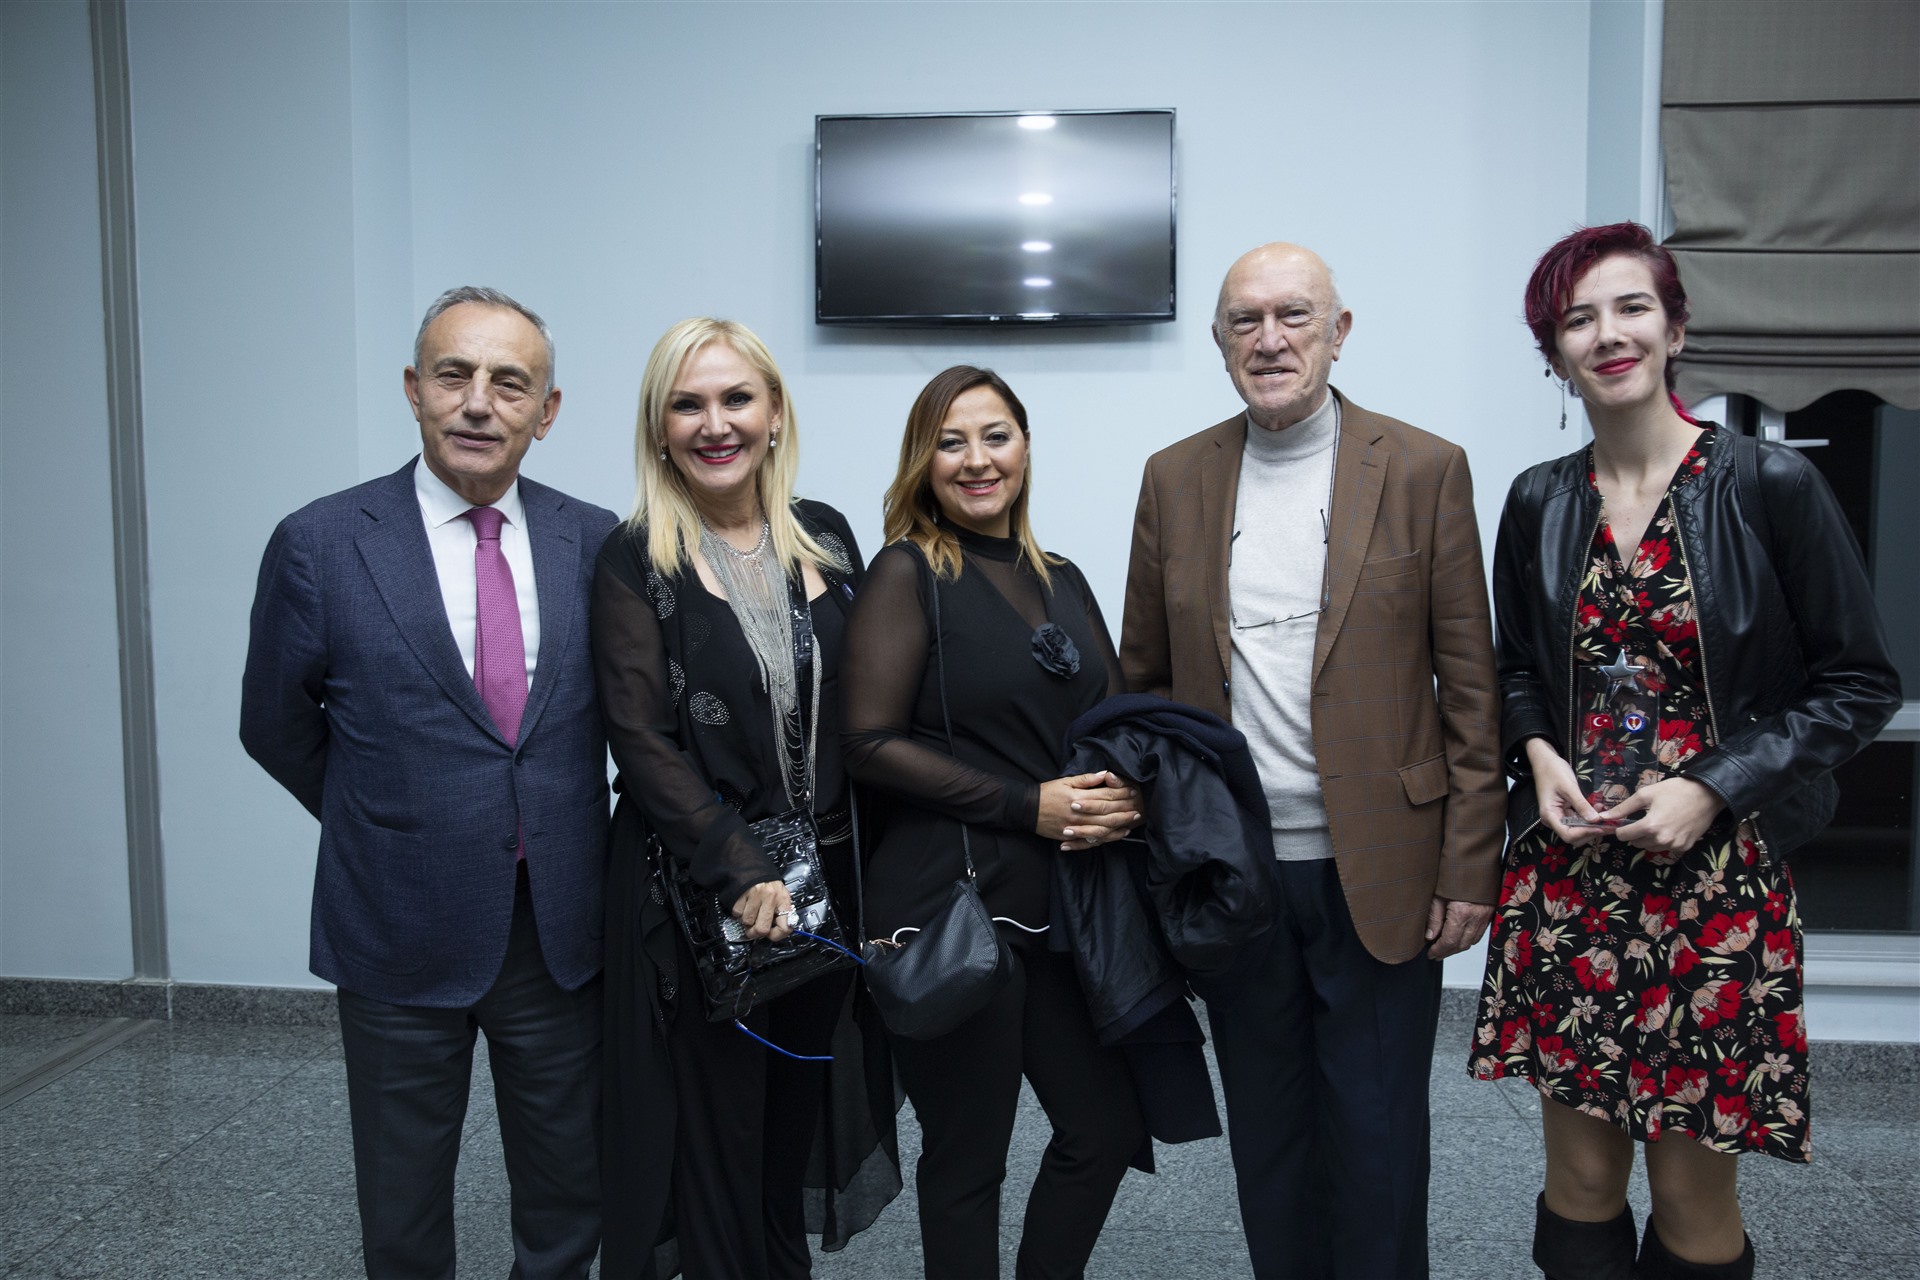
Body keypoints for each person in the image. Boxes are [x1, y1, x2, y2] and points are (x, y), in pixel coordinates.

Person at [1469, 222, 1902, 1280]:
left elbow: (1859, 685)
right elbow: (1516, 668)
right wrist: (1538, 753)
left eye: (1631, 307)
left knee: (1690, 1192)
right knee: (1579, 1184)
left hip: (1716, 888)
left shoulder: (1766, 483)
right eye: (1578, 318)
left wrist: (1712, 785)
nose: (1607, 333)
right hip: (1572, 881)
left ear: (1674, 327)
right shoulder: (1538, 498)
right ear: (1554, 350)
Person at [1118, 242, 1505, 1278]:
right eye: (1245, 320)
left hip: (1381, 866)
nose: (1270, 339)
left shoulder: (1422, 468)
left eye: (1294, 315)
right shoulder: (1173, 478)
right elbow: (1144, 686)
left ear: (1339, 333)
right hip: (1237, 873)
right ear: (1219, 341)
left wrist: (1472, 865)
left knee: (1377, 1143)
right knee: (1271, 1137)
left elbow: (1472, 690)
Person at [240, 286, 614, 1279]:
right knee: (402, 1205)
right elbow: (274, 722)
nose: (479, 402)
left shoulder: (596, 542)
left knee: (569, 1191)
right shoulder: (322, 542)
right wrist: (387, 821)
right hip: (394, 922)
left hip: (558, 930)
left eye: (509, 383)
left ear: (547, 410)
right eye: (454, 375)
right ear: (414, 389)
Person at [592, 318, 897, 1280]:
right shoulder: (634, 558)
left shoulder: (828, 535)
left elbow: (871, 705)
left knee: (789, 1129)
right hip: (706, 895)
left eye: (736, 399)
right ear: (659, 428)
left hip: (827, 891)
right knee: (717, 1143)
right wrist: (741, 868)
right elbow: (640, 738)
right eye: (687, 404)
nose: (714, 423)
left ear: (774, 414)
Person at [843, 365, 1147, 1280]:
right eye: (950, 442)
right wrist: (1029, 805)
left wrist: (1130, 792)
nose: (977, 460)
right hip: (950, 909)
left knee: (1105, 1129)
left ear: (1025, 448)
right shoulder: (906, 572)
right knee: (968, 1161)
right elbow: (866, 743)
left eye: (995, 436)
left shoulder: (1065, 579)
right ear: (922, 462)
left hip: (1063, 907)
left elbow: (1113, 721)